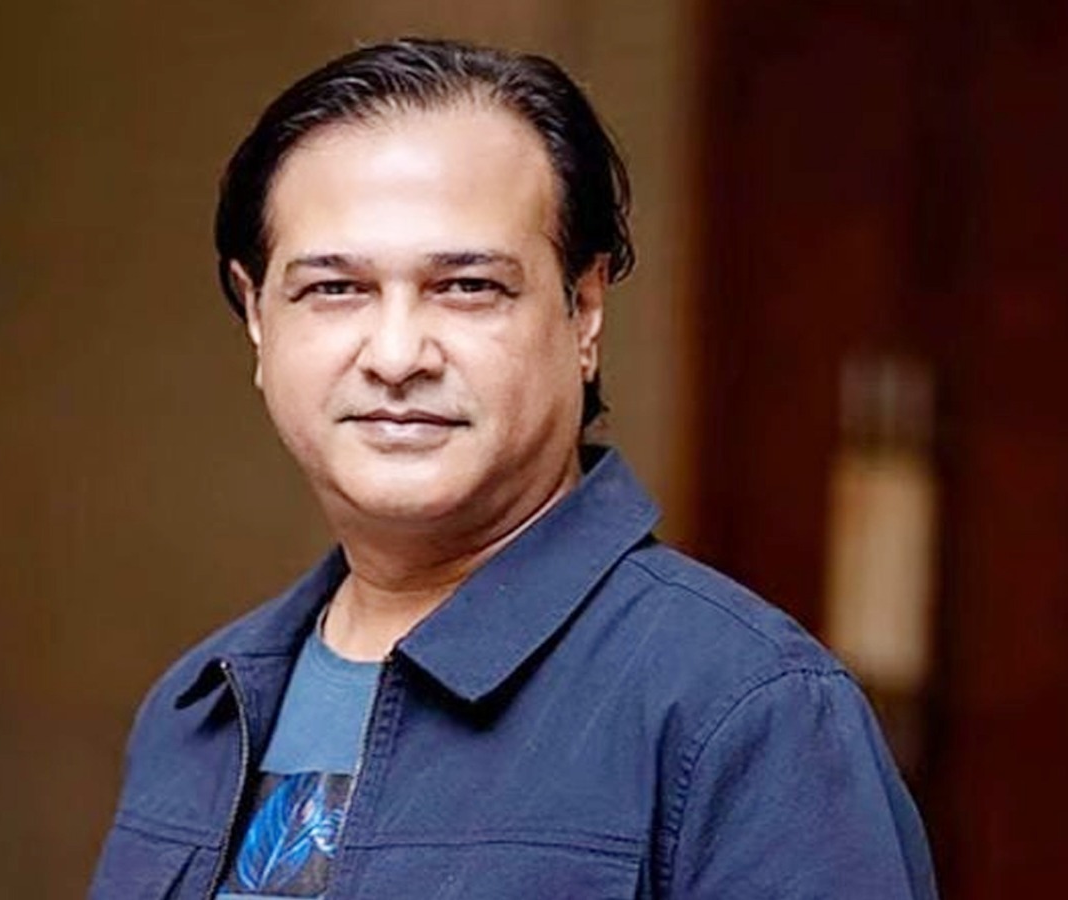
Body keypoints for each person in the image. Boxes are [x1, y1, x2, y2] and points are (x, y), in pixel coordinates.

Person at [89, 38, 937, 900]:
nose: (396, 355)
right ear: (258, 319)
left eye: (467, 287)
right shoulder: (199, 709)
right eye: (335, 289)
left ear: (584, 310)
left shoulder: (742, 708)